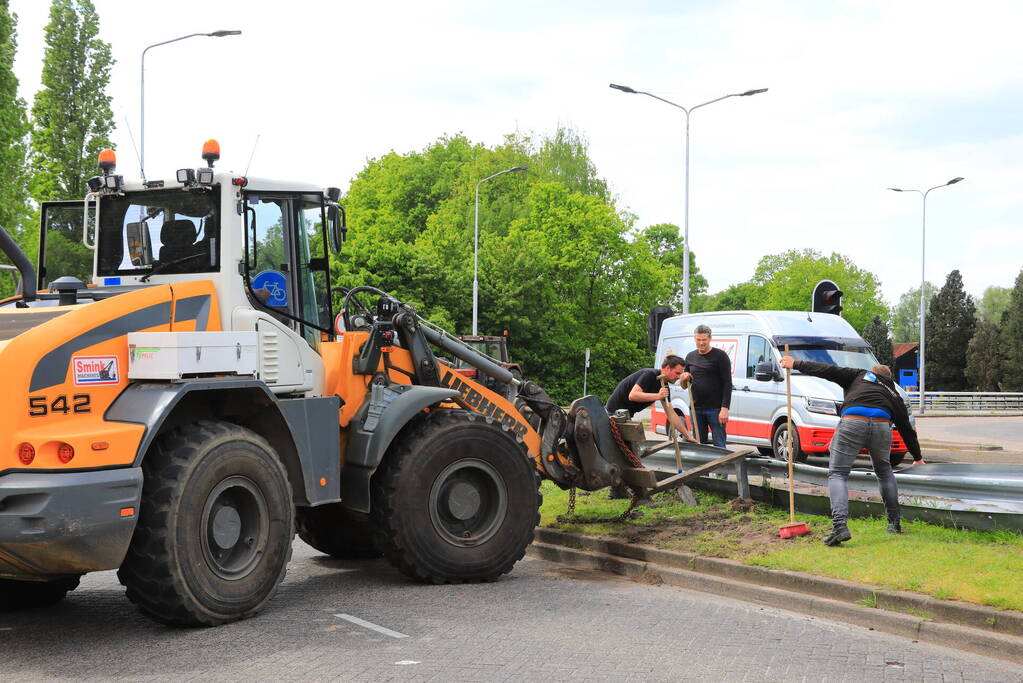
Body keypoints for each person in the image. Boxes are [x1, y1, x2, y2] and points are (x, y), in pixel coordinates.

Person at [778, 355, 924, 546]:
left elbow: (826, 370)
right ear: (889, 379)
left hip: (853, 421)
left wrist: (796, 364)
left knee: (838, 473)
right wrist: (917, 457)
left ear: (872, 372)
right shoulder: (893, 392)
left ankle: (840, 526)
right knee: (884, 471)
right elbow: (906, 428)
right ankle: (894, 523)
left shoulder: (858, 375)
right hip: (882, 426)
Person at [680, 325, 732, 449]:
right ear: (695, 339)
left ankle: (721, 468)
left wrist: (725, 408)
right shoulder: (690, 357)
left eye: (704, 340)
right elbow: (683, 386)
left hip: (716, 409)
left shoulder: (720, 356)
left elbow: (727, 384)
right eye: (698, 340)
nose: (701, 343)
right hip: (696, 408)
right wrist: (684, 378)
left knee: (719, 445)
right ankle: (702, 468)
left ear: (710, 339)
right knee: (699, 445)